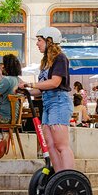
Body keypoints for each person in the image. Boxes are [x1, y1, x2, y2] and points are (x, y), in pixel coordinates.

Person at [19, 27, 75, 172]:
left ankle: (67, 175)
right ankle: (58, 176)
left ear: (49, 41)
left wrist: (30, 83)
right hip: (48, 102)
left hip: (59, 101)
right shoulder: (45, 62)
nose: (37, 44)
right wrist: (27, 91)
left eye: (39, 40)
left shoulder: (60, 58)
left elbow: (55, 82)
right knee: (49, 144)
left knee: (61, 144)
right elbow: (41, 89)